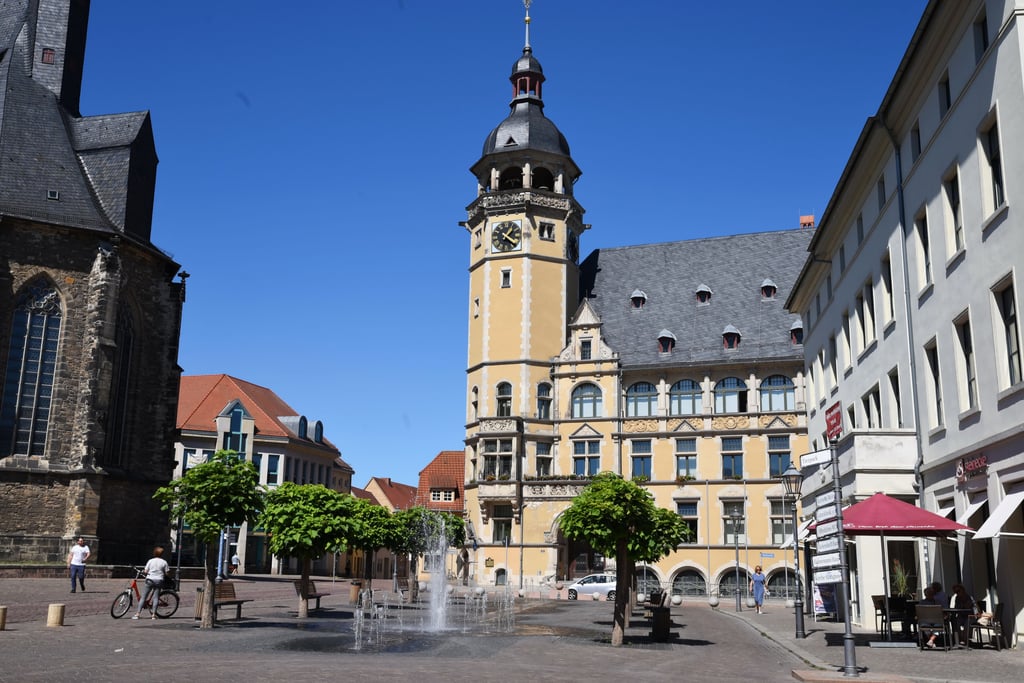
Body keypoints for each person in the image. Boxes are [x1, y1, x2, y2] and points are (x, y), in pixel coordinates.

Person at [133, 546, 169, 620]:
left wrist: (145, 572)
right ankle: (153, 615)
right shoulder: (164, 562)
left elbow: (146, 571)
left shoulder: (150, 561)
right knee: (156, 598)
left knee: (143, 597)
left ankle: (137, 614)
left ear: (154, 553)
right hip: (159, 580)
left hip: (150, 579)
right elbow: (167, 573)